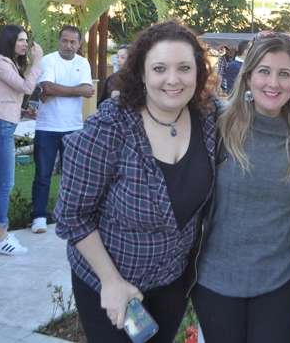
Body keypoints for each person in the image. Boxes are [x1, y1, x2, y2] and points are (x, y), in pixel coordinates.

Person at [54, 19, 219, 343]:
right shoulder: (111, 126)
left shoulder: (210, 117)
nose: (173, 80)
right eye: (160, 68)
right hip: (110, 282)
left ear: (198, 72)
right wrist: (111, 281)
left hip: (172, 281)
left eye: (184, 68)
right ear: (141, 73)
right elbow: (72, 216)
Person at [191, 31, 290, 343]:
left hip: (280, 284)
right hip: (215, 282)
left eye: (284, 74)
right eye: (264, 71)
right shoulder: (216, 124)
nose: (273, 83)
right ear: (248, 78)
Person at [0, 25, 43, 255]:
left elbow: (6, 99)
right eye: (21, 40)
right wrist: (37, 62)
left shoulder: (8, 63)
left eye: (26, 40)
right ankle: (1, 237)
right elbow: (26, 87)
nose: (26, 44)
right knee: (4, 184)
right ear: (9, 41)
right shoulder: (0, 63)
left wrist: (24, 113)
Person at [31, 26, 95, 234]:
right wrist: (74, 91)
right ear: (59, 41)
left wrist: (55, 90)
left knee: (73, 176)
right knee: (43, 175)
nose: (68, 45)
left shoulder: (82, 63)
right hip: (47, 127)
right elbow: (47, 88)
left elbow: (88, 91)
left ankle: (69, 215)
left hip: (74, 128)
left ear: (79, 44)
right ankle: (39, 217)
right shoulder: (48, 60)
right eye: (65, 41)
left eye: (73, 42)